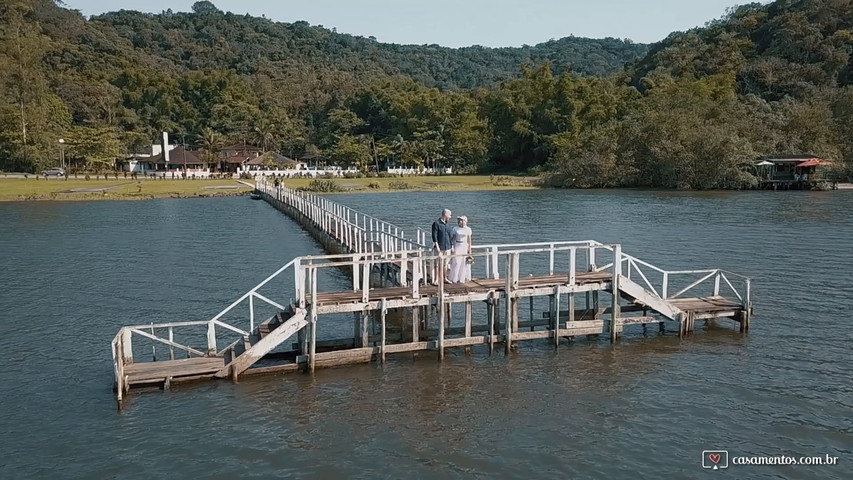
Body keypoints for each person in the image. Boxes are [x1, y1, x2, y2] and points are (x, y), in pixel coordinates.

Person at [431, 208, 453, 283]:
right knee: (437, 264)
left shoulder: (448, 225)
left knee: (445, 264)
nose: (450, 217)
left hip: (448, 247)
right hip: (440, 247)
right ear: (445, 214)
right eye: (449, 215)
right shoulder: (436, 223)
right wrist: (437, 248)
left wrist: (451, 246)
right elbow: (434, 236)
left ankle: (445, 278)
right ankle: (436, 279)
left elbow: (450, 236)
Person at [448, 216, 473, 283]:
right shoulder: (455, 229)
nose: (460, 222)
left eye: (462, 220)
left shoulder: (468, 229)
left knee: (463, 262)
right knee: (456, 262)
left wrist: (469, 249)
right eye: (459, 220)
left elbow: (469, 240)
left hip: (464, 245)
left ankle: (462, 278)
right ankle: (454, 278)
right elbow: (452, 238)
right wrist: (452, 247)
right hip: (457, 245)